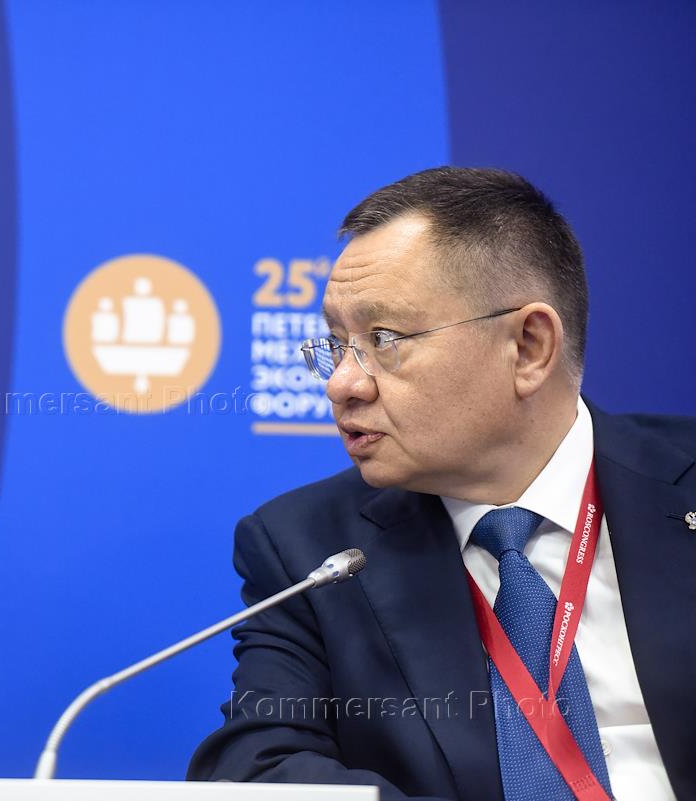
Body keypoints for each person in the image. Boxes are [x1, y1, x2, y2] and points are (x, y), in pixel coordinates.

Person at [188, 167, 694, 800]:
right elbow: (256, 767)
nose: (342, 384)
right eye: (337, 344)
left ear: (528, 346)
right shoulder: (307, 547)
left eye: (384, 339)